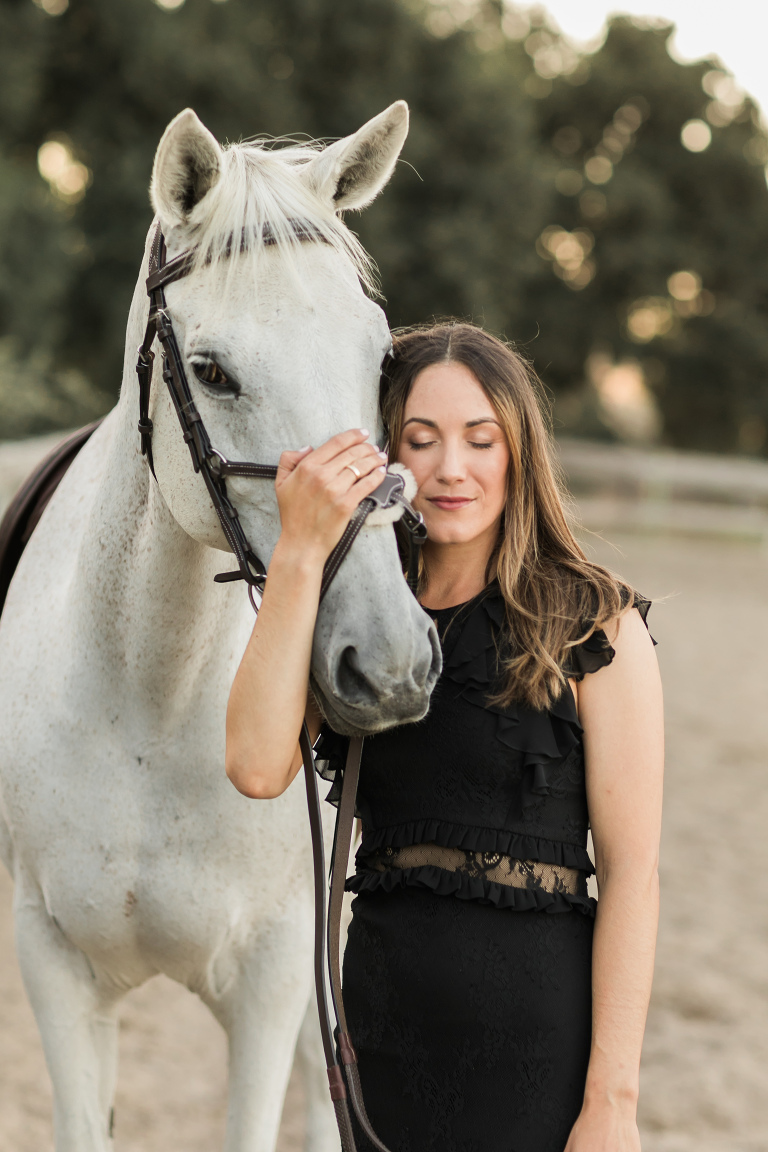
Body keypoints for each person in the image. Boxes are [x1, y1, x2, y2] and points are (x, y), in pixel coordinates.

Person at [225, 322, 663, 1152]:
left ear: (518, 452)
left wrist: (614, 1101)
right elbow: (252, 764)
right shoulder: (357, 617)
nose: (450, 469)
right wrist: (301, 552)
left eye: (480, 440)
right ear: (384, 454)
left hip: (536, 1045)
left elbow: (634, 876)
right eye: (419, 441)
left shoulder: (593, 623)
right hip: (383, 1029)